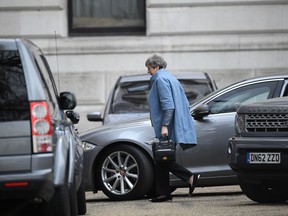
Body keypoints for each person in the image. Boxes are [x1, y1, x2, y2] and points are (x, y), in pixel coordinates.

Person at [145, 53, 199, 202]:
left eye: (149, 68)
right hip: (174, 124)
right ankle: (163, 194)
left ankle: (189, 177)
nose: (147, 71)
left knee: (163, 158)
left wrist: (164, 126)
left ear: (156, 67)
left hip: (169, 126)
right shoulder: (170, 78)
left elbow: (168, 107)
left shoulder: (161, 80)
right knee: (162, 160)